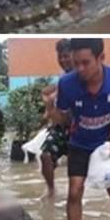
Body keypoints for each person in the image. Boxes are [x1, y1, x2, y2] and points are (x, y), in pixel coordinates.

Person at [50, 38, 110, 220]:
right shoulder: (66, 84)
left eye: (86, 63)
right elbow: (62, 118)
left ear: (101, 58)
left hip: (107, 143)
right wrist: (51, 108)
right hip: (79, 143)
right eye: (76, 62)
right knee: (74, 191)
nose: (79, 68)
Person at [39, 39, 74, 197]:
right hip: (60, 128)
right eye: (60, 57)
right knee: (45, 155)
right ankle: (51, 190)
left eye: (66, 56)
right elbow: (49, 98)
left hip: (79, 128)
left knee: (78, 164)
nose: (63, 60)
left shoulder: (82, 75)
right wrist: (47, 106)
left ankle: (77, 192)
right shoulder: (62, 79)